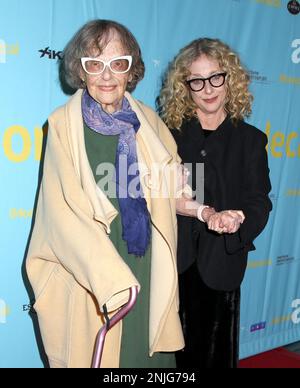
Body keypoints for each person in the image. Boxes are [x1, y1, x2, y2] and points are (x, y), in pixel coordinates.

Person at [159, 38, 272, 368]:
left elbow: (259, 201)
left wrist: (238, 220)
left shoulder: (250, 140)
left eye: (215, 78)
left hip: (221, 264)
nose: (208, 89)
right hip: (171, 263)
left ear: (230, 79)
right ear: (186, 87)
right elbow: (155, 194)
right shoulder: (169, 135)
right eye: (197, 80)